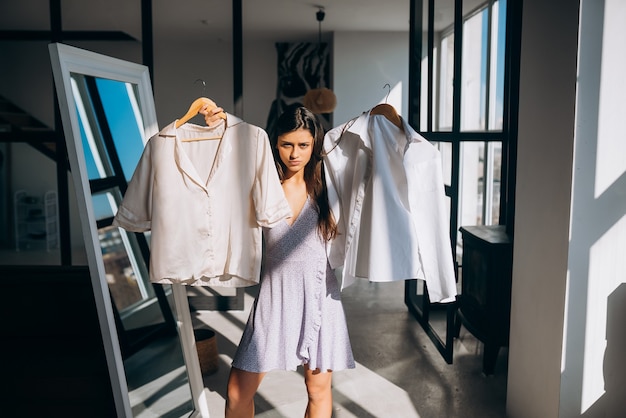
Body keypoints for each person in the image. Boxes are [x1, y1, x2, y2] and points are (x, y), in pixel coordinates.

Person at [224, 105, 355, 418]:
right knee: (236, 393)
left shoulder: (327, 188)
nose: (295, 154)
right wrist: (223, 121)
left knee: (319, 391)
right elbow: (235, 151)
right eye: (287, 144)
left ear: (314, 145)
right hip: (275, 298)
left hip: (321, 297)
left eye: (303, 145)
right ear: (276, 143)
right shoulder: (264, 186)